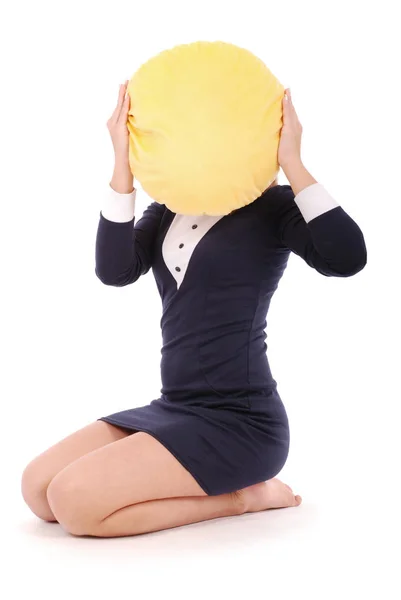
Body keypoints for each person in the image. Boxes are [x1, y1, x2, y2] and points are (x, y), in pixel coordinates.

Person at [21, 81, 367, 538]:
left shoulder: (274, 208)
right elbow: (115, 269)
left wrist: (292, 162)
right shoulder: (169, 207)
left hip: (241, 423)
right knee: (39, 489)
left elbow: (348, 258)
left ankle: (242, 498)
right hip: (175, 407)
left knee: (75, 504)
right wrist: (122, 162)